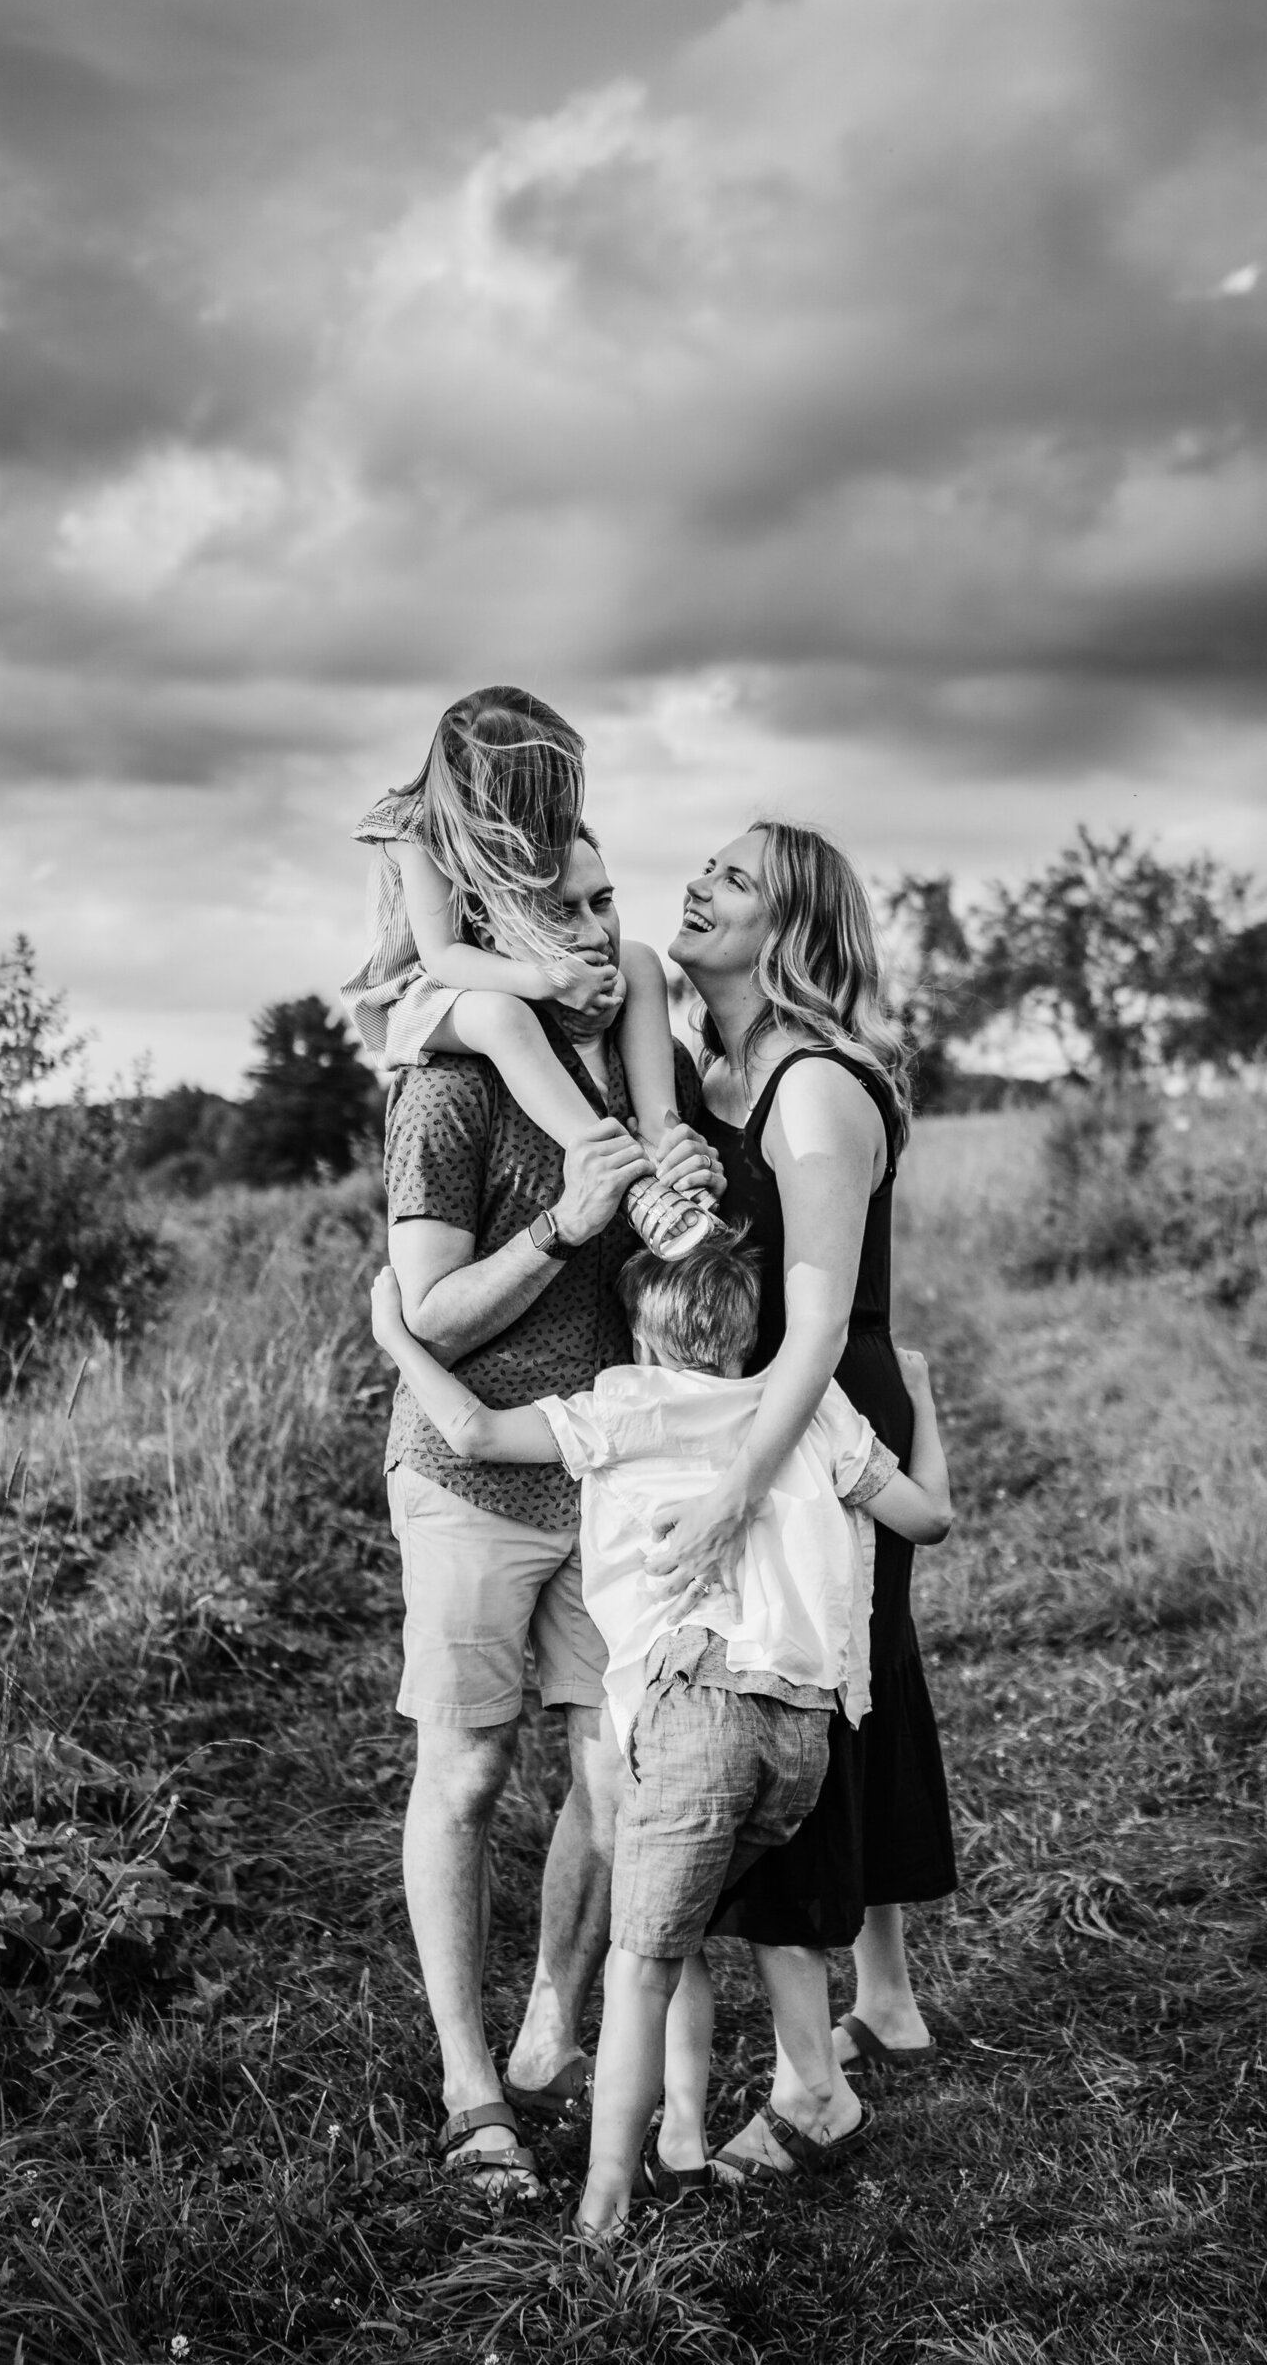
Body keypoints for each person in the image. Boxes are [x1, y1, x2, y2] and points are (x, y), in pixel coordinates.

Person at [370, 1233, 953, 2238]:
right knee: (742, 1920)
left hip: (692, 1716)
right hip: (803, 1729)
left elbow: (466, 1431)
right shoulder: (809, 1406)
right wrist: (921, 1393)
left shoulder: (623, 1403)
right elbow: (928, 1517)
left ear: (639, 1334)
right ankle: (699, 2131)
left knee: (643, 1960)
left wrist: (394, 1331)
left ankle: (604, 2202)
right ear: (746, 1329)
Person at [378, 817, 719, 2196]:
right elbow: (428, 1317)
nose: (595, 927)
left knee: (611, 1765)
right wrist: (567, 1225)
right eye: (563, 908)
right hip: (467, 1478)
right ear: (500, 925)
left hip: (607, 1475)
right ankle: (473, 2090)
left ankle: (551, 2015)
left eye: (606, 898)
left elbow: (680, 1204)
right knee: (463, 1770)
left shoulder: (624, 1032)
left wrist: (677, 1171)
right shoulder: (449, 1090)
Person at [650, 819, 959, 2182]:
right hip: (772, 1418)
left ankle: (809, 2072)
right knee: (862, 1683)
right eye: (701, 864)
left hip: (815, 1417)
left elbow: (820, 1328)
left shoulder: (815, 1091)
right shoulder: (706, 1070)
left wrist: (731, 1493)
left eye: (733, 875)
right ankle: (882, 1989)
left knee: (802, 1690)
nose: (697, 882)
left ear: (789, 928)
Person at [342, 685, 713, 1258]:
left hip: (499, 967)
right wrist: (551, 979)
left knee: (637, 957)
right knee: (502, 1017)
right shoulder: (416, 834)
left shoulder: (512, 836)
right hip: (418, 996)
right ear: (494, 796)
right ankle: (607, 1159)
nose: (551, 816)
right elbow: (443, 958)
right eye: (541, 798)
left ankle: (659, 1135)